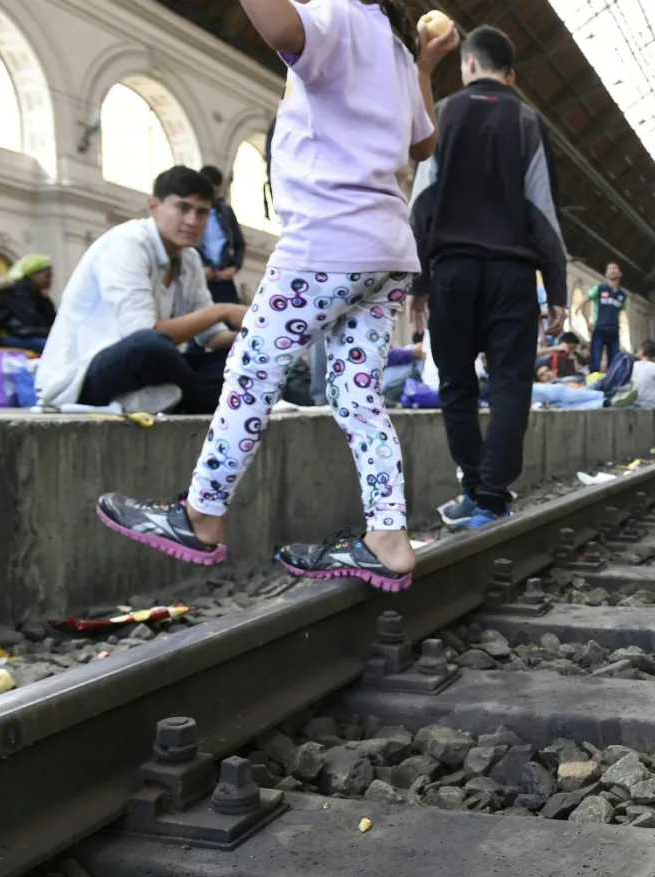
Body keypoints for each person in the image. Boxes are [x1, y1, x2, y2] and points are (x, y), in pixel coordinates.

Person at [96, 0, 455, 590]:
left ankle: (202, 514)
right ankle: (388, 536)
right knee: (356, 394)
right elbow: (421, 143)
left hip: (326, 242)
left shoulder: (335, 15)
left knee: (252, 370)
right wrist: (425, 62)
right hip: (387, 251)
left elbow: (281, 26)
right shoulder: (392, 46)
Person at [409, 24, 568, 530]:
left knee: (456, 385)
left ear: (468, 65)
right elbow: (543, 212)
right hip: (513, 276)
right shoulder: (527, 119)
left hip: (452, 271)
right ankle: (490, 493)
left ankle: (476, 489)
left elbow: (422, 204)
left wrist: (418, 281)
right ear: (511, 73)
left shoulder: (444, 113)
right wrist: (557, 288)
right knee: (509, 385)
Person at [35, 167, 246, 413]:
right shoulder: (126, 244)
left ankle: (178, 397)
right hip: (82, 376)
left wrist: (255, 338)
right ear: (153, 206)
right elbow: (143, 332)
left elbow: (212, 337)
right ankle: (206, 400)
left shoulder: (189, 259)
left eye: (202, 213)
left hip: (150, 367)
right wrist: (221, 310)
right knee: (150, 347)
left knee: (239, 360)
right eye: (183, 208)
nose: (192, 221)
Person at [198, 166, 247, 305]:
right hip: (201, 276)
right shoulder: (190, 214)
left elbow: (239, 243)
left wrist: (234, 267)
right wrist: (200, 268)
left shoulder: (226, 212)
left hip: (224, 277)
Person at [0, 254, 58, 352]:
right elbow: (30, 319)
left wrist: (44, 298)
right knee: (49, 346)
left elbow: (52, 320)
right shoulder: (17, 291)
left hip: (22, 335)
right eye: (47, 276)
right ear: (33, 274)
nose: (50, 280)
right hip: (6, 336)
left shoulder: (35, 293)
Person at [583, 262, 626, 373]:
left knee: (614, 363)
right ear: (606, 274)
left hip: (614, 331)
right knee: (595, 362)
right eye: (609, 269)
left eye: (615, 268)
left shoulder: (622, 295)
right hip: (599, 329)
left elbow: (619, 312)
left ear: (620, 274)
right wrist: (587, 321)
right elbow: (582, 303)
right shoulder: (599, 289)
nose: (612, 271)